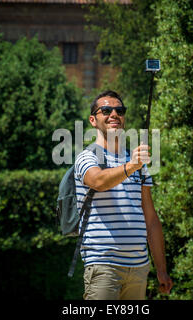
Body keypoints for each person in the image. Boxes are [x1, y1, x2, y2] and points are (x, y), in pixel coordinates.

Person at [74, 90, 173, 300]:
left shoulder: (137, 161)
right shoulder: (87, 157)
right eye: (106, 110)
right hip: (103, 265)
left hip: (138, 268)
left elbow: (151, 219)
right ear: (93, 120)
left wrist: (161, 269)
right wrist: (131, 166)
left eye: (119, 110)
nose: (114, 114)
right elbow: (99, 181)